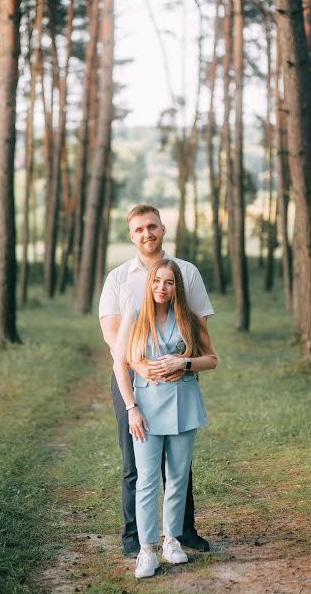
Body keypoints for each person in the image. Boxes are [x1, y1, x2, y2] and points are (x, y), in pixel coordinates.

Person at [99, 204, 214, 557]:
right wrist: (139, 366)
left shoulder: (187, 272)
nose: (146, 234)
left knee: (179, 463)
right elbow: (112, 334)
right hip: (132, 381)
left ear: (163, 228)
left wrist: (184, 363)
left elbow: (198, 332)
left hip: (178, 379)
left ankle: (180, 532)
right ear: (131, 235)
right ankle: (135, 536)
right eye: (138, 230)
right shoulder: (119, 278)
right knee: (136, 464)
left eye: (152, 226)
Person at [113, 259, 217, 578]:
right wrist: (131, 408)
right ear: (150, 284)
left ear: (176, 287)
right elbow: (121, 364)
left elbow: (212, 360)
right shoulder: (135, 317)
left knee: (178, 477)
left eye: (169, 282)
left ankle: (171, 540)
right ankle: (146, 550)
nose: (162, 287)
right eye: (157, 281)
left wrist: (182, 363)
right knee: (146, 479)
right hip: (145, 406)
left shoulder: (190, 320)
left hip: (184, 403)